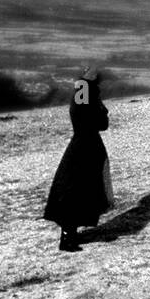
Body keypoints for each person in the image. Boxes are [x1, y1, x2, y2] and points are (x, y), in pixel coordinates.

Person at [43, 65, 115, 251]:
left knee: (80, 189)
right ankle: (68, 237)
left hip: (85, 143)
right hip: (85, 144)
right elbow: (83, 114)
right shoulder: (84, 87)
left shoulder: (84, 88)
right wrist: (97, 118)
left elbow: (83, 114)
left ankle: (71, 234)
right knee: (76, 189)